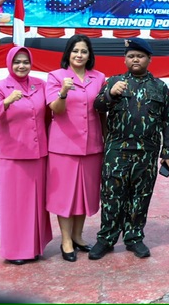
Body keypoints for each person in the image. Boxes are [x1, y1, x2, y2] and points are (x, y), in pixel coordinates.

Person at [89, 38, 169, 260]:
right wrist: (110, 94)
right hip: (117, 150)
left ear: (149, 59)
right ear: (125, 59)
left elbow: (168, 121)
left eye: (140, 56)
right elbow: (97, 106)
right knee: (111, 195)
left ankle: (134, 237)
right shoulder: (114, 81)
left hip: (147, 152)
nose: (135, 59)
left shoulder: (159, 87)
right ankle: (106, 238)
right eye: (131, 56)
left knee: (141, 196)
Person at [0, 46, 52, 264]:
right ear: (9, 64)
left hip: (38, 154)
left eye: (25, 62)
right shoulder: (0, 87)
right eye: (17, 62)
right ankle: (15, 251)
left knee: (35, 203)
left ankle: (34, 247)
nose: (21, 66)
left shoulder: (40, 85)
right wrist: (6, 102)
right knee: (14, 205)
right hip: (12, 156)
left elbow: (49, 114)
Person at [45, 34, 105, 262]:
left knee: (85, 194)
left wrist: (106, 138)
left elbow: (103, 110)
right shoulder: (56, 76)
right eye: (75, 51)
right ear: (68, 53)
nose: (79, 55)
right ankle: (66, 240)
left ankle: (78, 236)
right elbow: (56, 109)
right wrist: (63, 92)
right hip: (64, 146)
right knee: (64, 196)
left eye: (84, 51)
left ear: (90, 55)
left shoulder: (99, 78)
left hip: (92, 145)